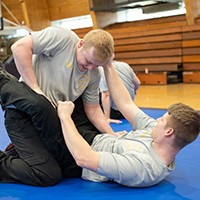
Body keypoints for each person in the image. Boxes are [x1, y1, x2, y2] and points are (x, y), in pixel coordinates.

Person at [0, 63, 200, 187]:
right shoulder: (154, 134)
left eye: (162, 120)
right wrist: (107, 64)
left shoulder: (144, 168)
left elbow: (84, 158)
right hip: (93, 135)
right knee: (83, 82)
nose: (157, 120)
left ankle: (3, 80)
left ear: (169, 132)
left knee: (41, 107)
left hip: (75, 152)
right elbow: (125, 104)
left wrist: (65, 117)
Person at [10, 26, 116, 136]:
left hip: (51, 118)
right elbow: (19, 47)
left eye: (96, 65)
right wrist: (35, 87)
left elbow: (93, 109)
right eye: (88, 61)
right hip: (25, 112)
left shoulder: (95, 73)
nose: (90, 68)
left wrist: (112, 134)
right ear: (81, 44)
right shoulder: (63, 38)